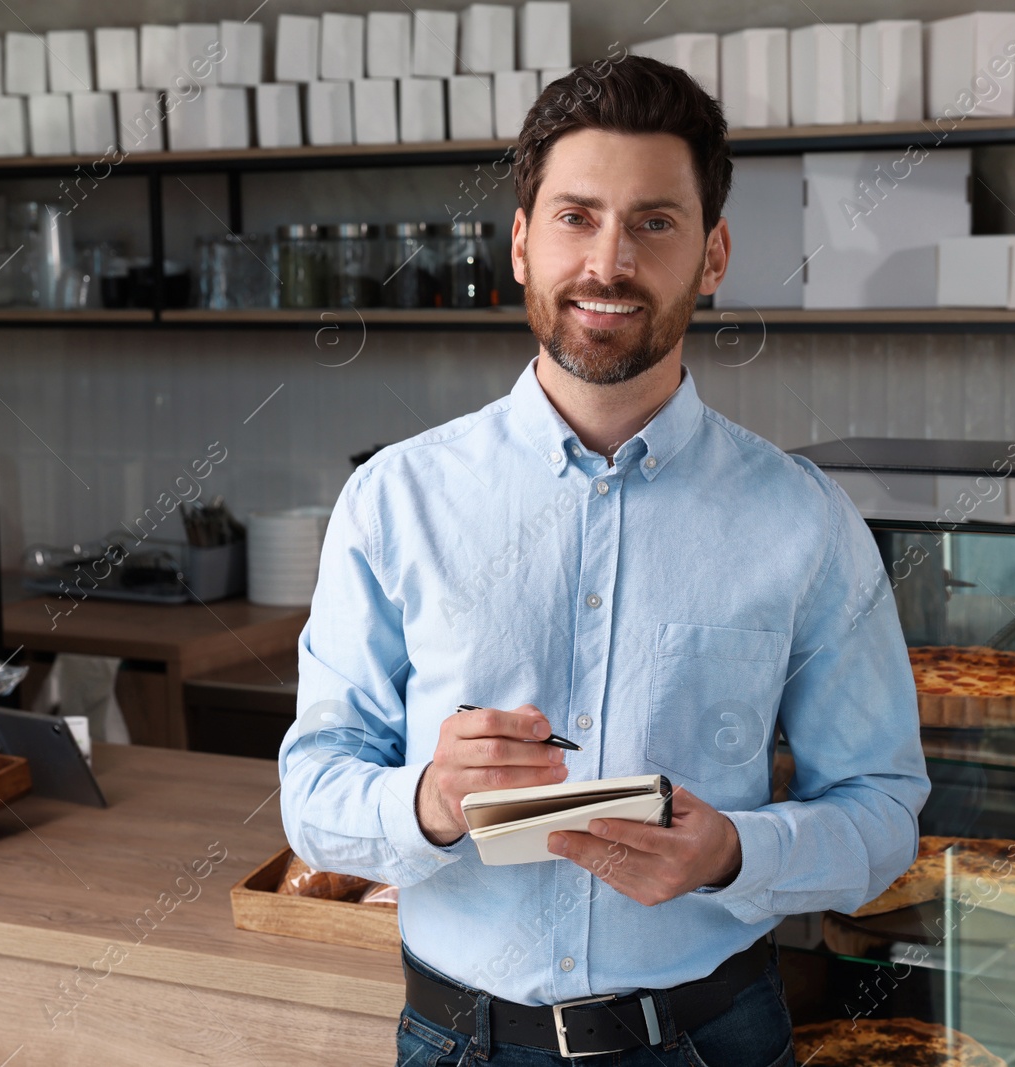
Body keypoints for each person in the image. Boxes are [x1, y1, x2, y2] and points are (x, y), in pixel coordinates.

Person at [279, 54, 929, 1066]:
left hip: (714, 1036)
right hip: (463, 1039)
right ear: (524, 245)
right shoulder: (394, 500)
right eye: (577, 217)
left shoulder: (804, 521)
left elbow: (884, 811)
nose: (609, 261)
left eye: (653, 222)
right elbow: (312, 793)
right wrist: (429, 801)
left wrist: (733, 853)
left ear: (711, 255)